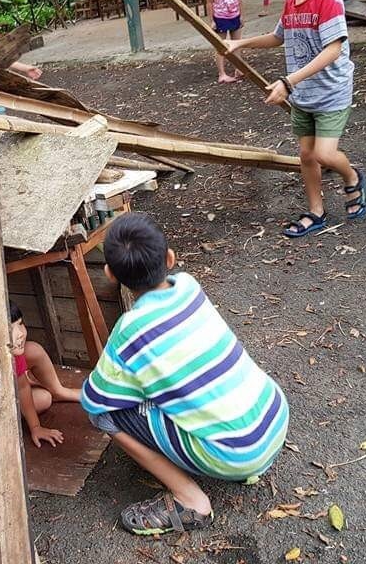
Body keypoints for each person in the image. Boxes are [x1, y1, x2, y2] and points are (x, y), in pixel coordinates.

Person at [82, 212, 289, 535]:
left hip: (236, 454)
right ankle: (239, 467)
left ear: (110, 274)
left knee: (103, 416)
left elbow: (95, 398)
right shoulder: (189, 286)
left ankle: (189, 499)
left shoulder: (130, 330)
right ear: (170, 258)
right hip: (273, 418)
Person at [224, 0, 366, 237]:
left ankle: (352, 176)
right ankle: (316, 212)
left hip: (330, 91)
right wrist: (240, 44)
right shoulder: (291, 2)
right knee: (306, 155)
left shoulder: (328, 0)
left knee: (324, 154)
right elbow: (278, 37)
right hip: (303, 93)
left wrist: (289, 82)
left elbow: (333, 50)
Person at [0, 299, 81, 448]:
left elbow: (22, 388)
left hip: (7, 394)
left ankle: (59, 391)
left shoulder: (14, 355)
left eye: (21, 324)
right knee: (43, 398)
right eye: (10, 330)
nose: (21, 334)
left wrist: (36, 427)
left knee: (43, 391)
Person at [204, 0, 244, 84]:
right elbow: (209, 2)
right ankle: (222, 73)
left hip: (235, 15)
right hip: (220, 16)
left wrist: (241, 15)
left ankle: (238, 68)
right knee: (220, 46)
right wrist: (212, 20)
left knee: (237, 44)